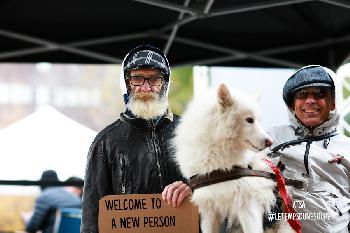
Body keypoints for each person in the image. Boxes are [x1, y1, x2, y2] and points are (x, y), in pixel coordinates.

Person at [81, 44, 192, 233]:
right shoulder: (105, 143)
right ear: (126, 83)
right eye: (137, 78)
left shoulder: (190, 131)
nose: (146, 87)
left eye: (154, 79)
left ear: (165, 83)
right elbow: (92, 216)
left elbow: (220, 184)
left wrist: (193, 186)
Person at [268, 65, 350, 232]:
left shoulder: (347, 147)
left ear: (333, 102)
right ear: (292, 104)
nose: (310, 100)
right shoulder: (269, 138)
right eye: (302, 94)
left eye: (320, 93)